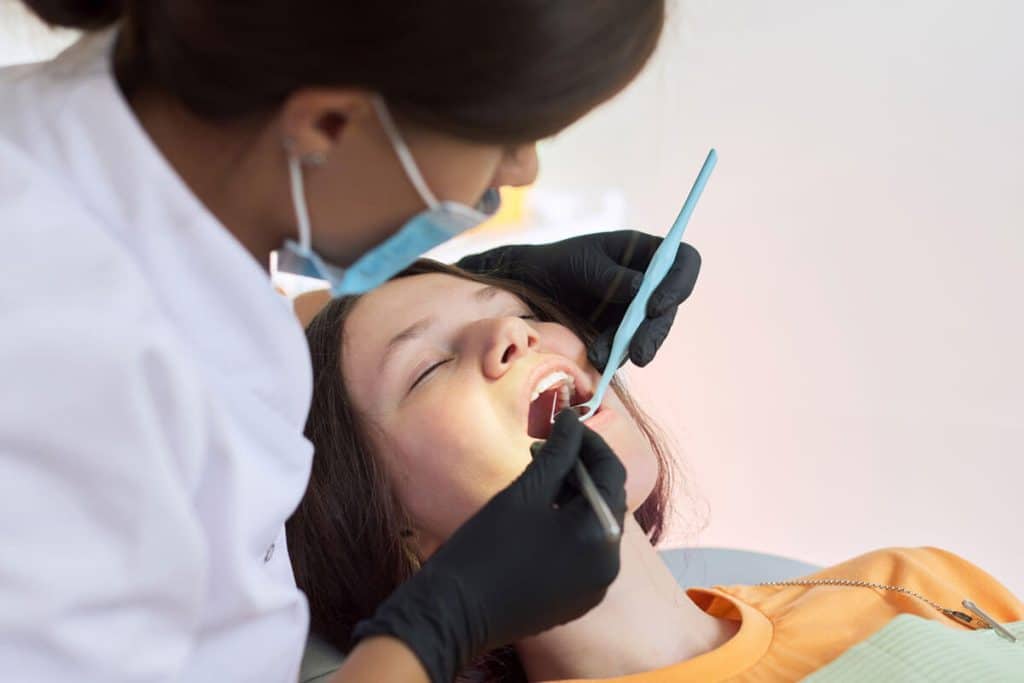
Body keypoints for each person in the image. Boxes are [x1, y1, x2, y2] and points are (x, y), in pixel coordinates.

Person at [0, 2, 703, 682]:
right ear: (330, 122)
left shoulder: (131, 173)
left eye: (517, 307)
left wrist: (444, 298)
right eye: (507, 138)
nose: (520, 173)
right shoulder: (59, 347)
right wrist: (441, 625)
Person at [290, 259, 1024, 682]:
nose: (511, 332)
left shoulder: (906, 581)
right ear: (400, 536)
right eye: (427, 366)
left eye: (515, 308)